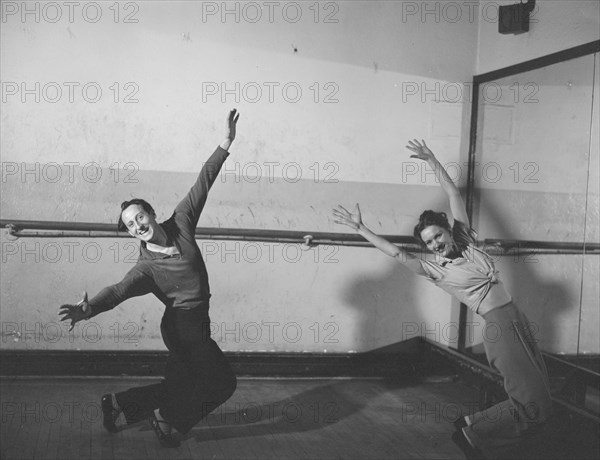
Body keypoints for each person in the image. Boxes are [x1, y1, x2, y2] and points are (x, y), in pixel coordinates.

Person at [332, 140, 553, 459]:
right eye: (428, 242)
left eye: (437, 236)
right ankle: (473, 435)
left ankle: (470, 422)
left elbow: (453, 195)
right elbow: (395, 252)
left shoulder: (467, 239)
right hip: (499, 329)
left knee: (542, 391)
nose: (434, 244)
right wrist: (361, 228)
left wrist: (432, 159)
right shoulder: (436, 270)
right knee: (531, 402)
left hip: (515, 317)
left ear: (448, 231)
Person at [59, 109, 241, 448]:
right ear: (131, 233)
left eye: (139, 216)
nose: (137, 225)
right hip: (182, 327)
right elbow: (118, 291)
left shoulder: (182, 221)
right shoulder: (146, 268)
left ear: (152, 213)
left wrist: (226, 142)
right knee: (221, 383)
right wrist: (89, 309)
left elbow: (204, 180)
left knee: (178, 384)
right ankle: (168, 419)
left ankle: (118, 404)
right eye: (130, 225)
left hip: (198, 320)